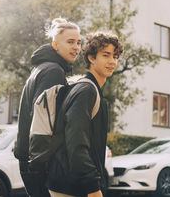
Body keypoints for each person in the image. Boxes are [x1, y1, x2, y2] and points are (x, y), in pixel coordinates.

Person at [47, 32, 123, 197]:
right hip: (72, 187)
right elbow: (77, 144)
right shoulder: (86, 91)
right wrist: (93, 188)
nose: (112, 61)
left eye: (115, 57)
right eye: (106, 55)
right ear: (91, 58)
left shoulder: (88, 89)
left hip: (71, 184)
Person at [14, 18, 81, 197]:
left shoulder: (43, 68)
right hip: (38, 161)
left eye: (78, 42)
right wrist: (43, 161)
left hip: (30, 157)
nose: (76, 47)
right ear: (55, 45)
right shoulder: (53, 71)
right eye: (70, 42)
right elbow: (43, 118)